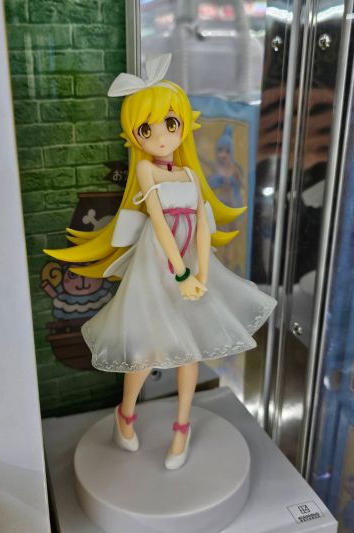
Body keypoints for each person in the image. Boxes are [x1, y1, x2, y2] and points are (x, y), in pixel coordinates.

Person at [44, 54, 277, 470]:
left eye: (170, 124)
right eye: (146, 129)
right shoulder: (148, 173)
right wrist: (182, 272)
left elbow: (201, 226)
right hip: (159, 267)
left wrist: (202, 271)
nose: (162, 136)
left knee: (190, 351)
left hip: (191, 267)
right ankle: (125, 415)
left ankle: (181, 429)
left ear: (184, 124)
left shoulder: (189, 176)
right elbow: (160, 226)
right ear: (135, 135)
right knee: (146, 349)